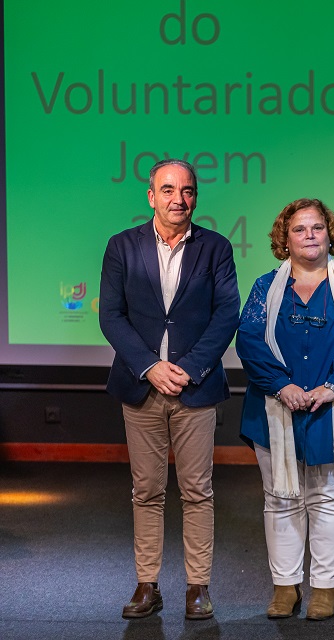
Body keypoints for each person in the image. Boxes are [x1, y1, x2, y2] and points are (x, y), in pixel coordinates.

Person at [99, 159, 240, 620]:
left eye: (188, 191)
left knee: (198, 490)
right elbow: (111, 316)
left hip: (194, 388)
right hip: (141, 387)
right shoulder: (121, 246)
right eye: (168, 189)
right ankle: (147, 585)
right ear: (151, 196)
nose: (179, 199)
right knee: (147, 491)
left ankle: (197, 588)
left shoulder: (216, 248)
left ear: (195, 197)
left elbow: (226, 315)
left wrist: (187, 368)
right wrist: (149, 367)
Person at [236, 198, 334, 621]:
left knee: (331, 500)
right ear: (285, 239)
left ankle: (324, 590)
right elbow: (248, 339)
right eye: (299, 229)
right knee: (280, 500)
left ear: (329, 233)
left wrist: (332, 387)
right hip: (274, 408)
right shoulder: (266, 287)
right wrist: (282, 385)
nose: (310, 236)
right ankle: (285, 588)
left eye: (317, 228)